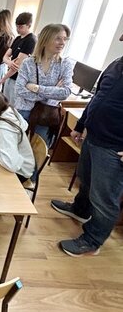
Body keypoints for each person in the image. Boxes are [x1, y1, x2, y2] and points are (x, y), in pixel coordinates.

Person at [51, 32, 123, 257]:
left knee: (104, 199)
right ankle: (80, 210)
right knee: (86, 179)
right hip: (93, 136)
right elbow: (97, 98)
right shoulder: (116, 64)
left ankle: (92, 240)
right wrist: (81, 125)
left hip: (114, 146)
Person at [14, 23, 73, 147]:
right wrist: (53, 91)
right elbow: (19, 89)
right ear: (45, 40)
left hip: (46, 115)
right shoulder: (28, 63)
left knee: (38, 151)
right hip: (24, 110)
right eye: (58, 38)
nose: (62, 43)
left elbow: (65, 92)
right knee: (17, 146)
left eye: (64, 39)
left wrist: (36, 88)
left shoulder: (65, 64)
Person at [0, 12, 37, 105]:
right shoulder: (17, 38)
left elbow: (17, 65)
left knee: (13, 106)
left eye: (21, 27)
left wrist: (3, 79)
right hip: (10, 76)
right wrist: (9, 62)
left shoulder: (30, 40)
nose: (18, 29)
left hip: (18, 79)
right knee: (5, 104)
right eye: (17, 26)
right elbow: (5, 56)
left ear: (29, 25)